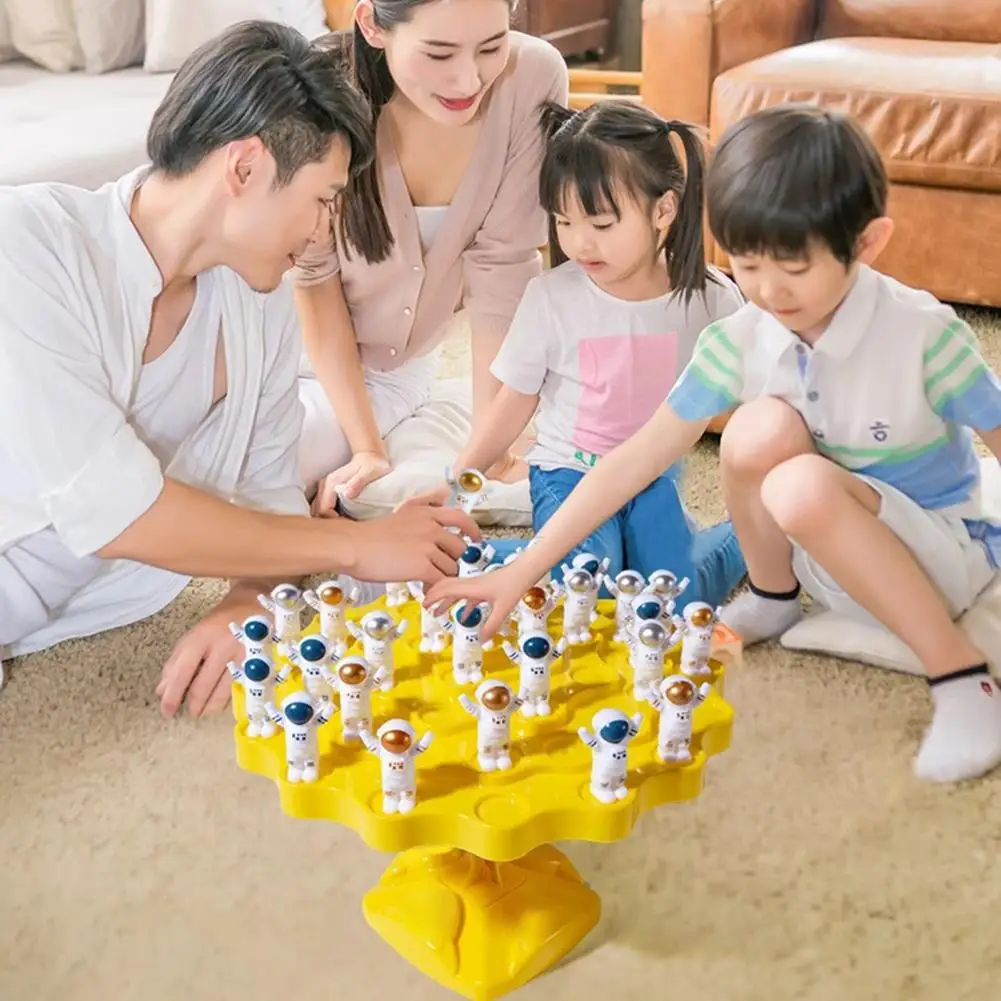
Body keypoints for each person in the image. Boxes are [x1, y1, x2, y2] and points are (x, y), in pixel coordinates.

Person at [422, 103, 1001, 785]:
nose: (766, 290)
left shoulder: (924, 336)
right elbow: (629, 462)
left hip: (939, 558)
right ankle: (771, 595)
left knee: (796, 482)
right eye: (749, 264)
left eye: (791, 267)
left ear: (867, 243)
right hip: (825, 560)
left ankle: (962, 678)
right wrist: (519, 573)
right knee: (760, 432)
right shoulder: (742, 335)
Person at [0, 20, 479, 720]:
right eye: (322, 200)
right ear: (245, 166)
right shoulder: (28, 246)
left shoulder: (251, 305)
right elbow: (114, 509)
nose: (325, 233)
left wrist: (249, 594)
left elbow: (269, 493)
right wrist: (356, 545)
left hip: (70, 604)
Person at [412, 99, 746, 603]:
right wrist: (459, 482)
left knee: (675, 598)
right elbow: (514, 402)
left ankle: (747, 538)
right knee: (589, 582)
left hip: (652, 478)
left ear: (664, 209)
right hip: (566, 472)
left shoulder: (713, 299)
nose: (578, 243)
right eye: (564, 222)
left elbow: (761, 389)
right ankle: (471, 559)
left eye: (601, 224)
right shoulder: (552, 298)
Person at [291, 0, 569, 515]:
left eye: (491, 46)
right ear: (372, 25)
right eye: (439, 53)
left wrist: (491, 452)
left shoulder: (532, 76)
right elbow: (313, 276)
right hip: (270, 338)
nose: (468, 81)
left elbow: (503, 264)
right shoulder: (318, 86)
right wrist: (367, 447)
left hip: (389, 369)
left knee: (274, 467)